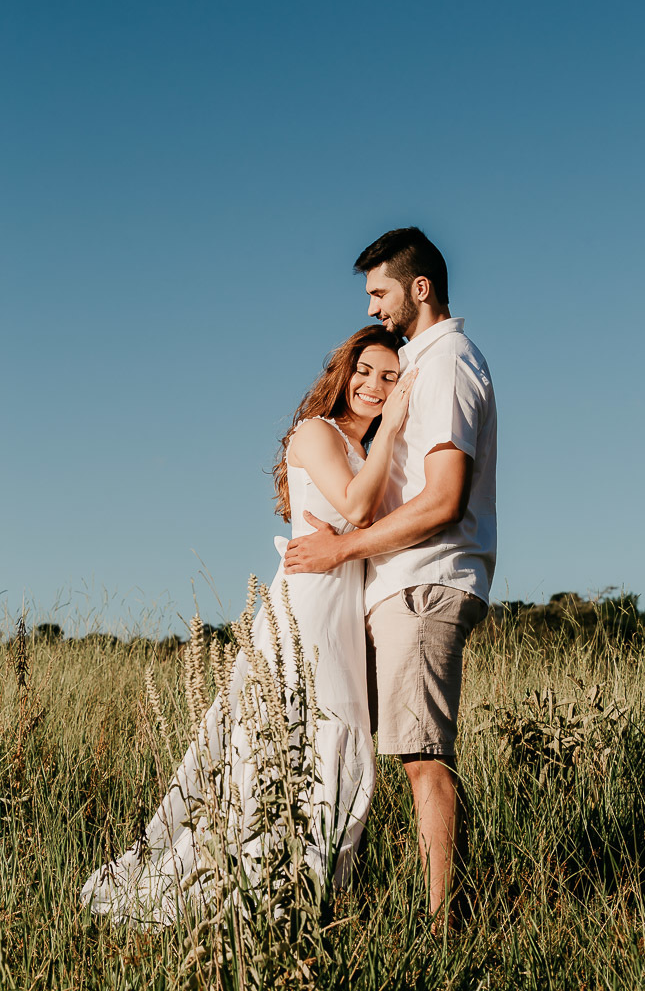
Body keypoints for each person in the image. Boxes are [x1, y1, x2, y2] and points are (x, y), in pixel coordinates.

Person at [81, 325, 416, 925]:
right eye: (365, 370)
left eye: (391, 378)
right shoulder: (316, 433)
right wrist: (393, 425)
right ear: (343, 372)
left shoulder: (373, 453)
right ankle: (256, 893)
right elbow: (358, 507)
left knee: (339, 748)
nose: (373, 385)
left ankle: (304, 894)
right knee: (289, 739)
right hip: (308, 606)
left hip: (346, 609)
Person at [284, 227, 497, 919]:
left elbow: (444, 499)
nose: (375, 306)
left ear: (420, 288)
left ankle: (444, 926)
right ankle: (341, 891)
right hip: (393, 586)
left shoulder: (446, 363)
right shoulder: (419, 368)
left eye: (381, 292)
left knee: (421, 757)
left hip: (422, 581)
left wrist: (343, 551)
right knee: (376, 753)